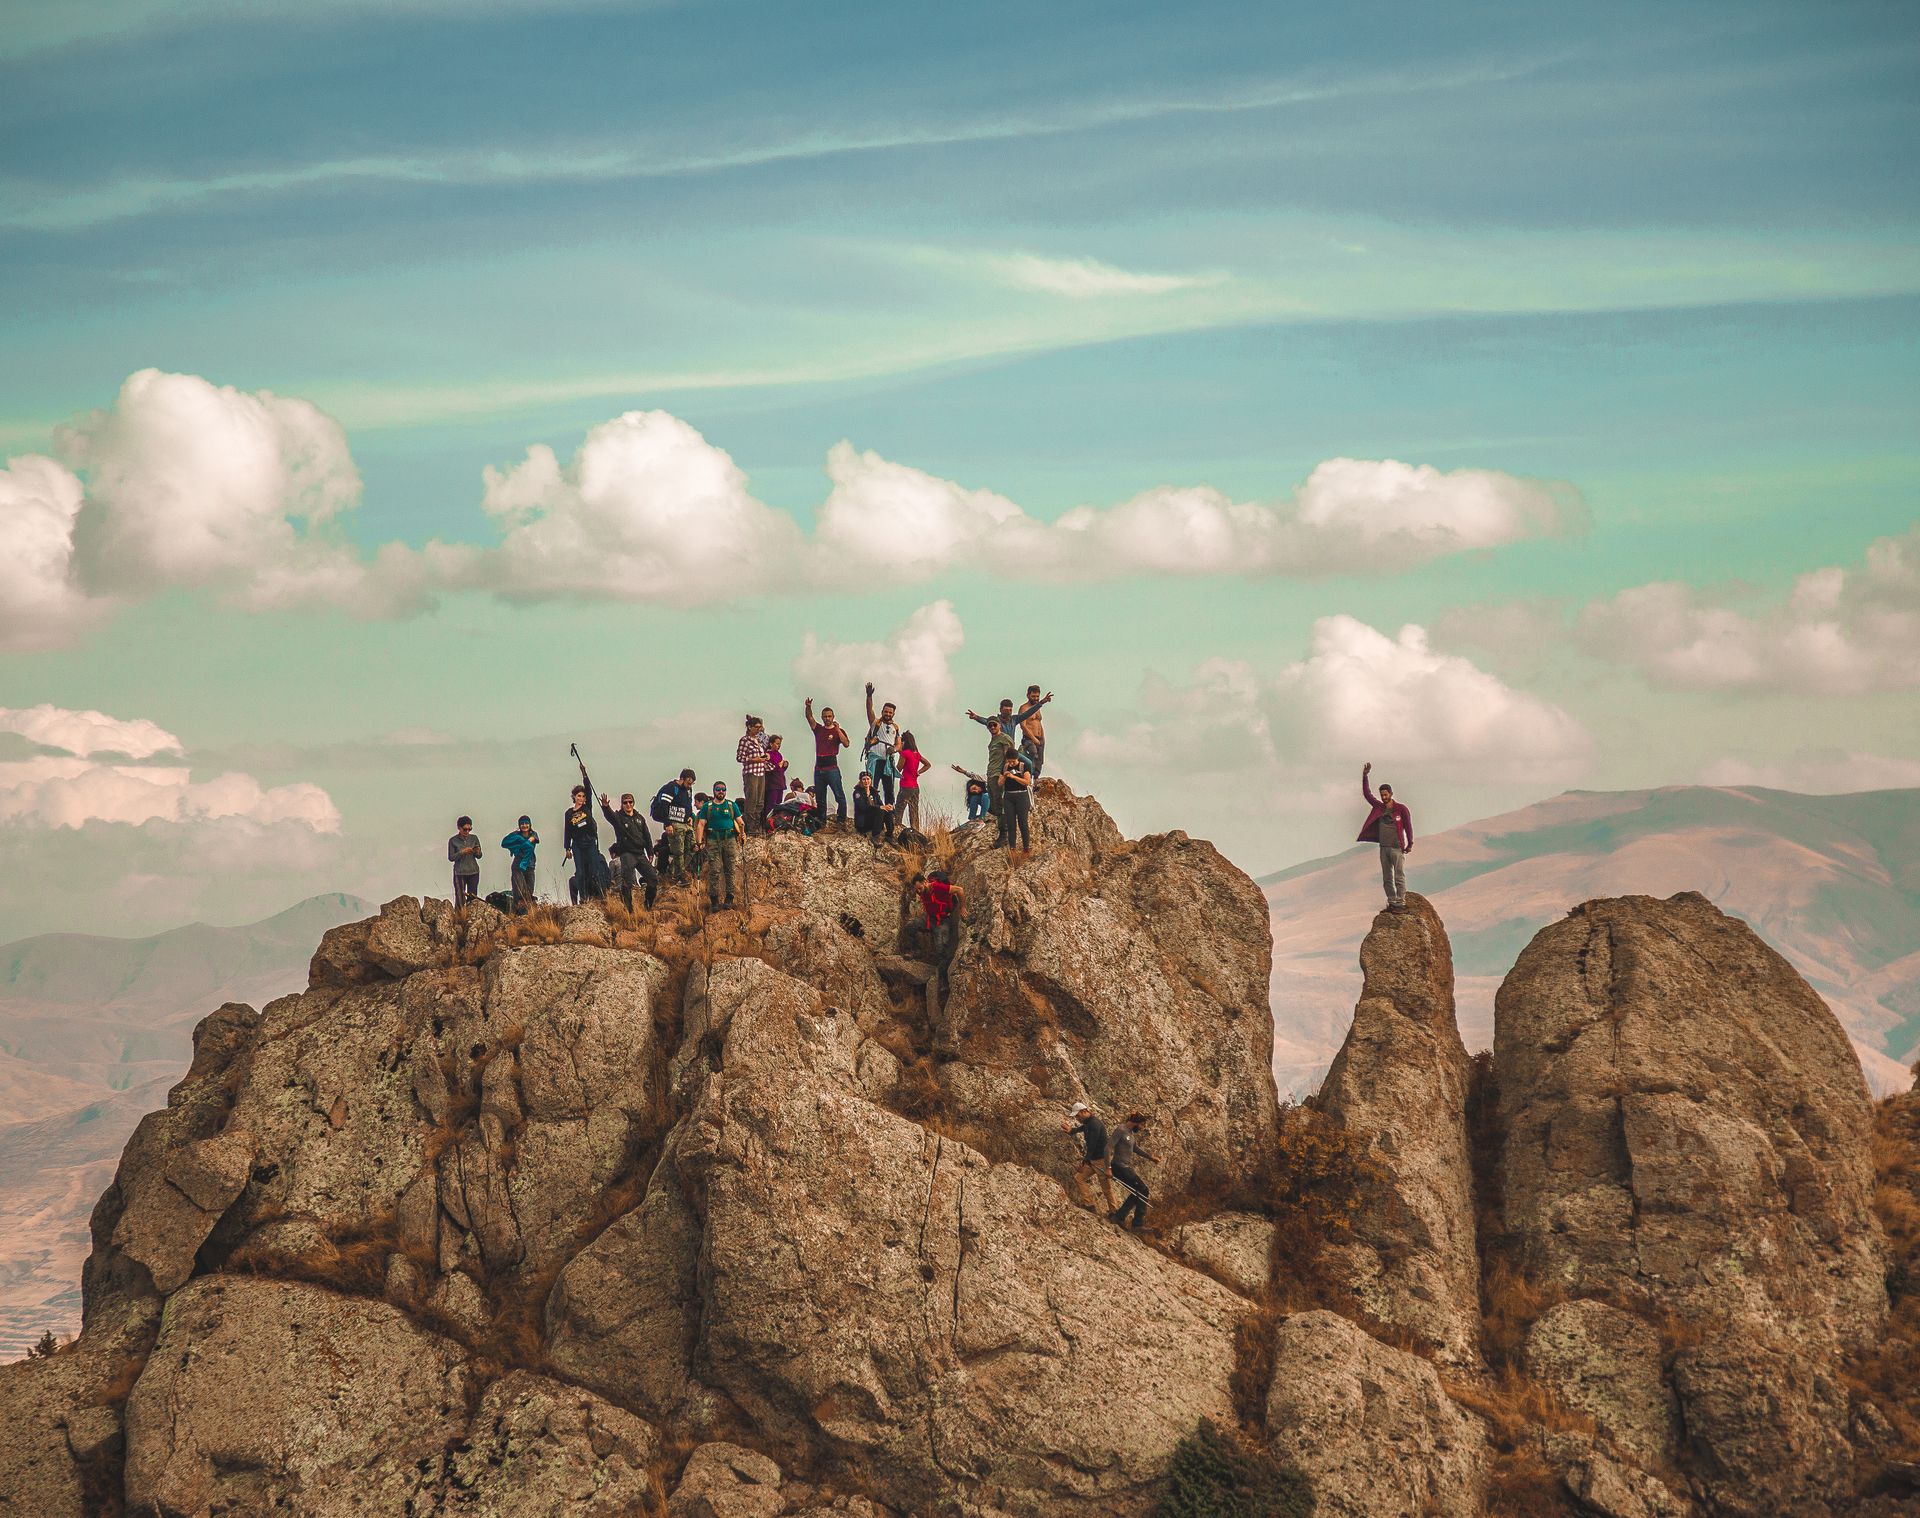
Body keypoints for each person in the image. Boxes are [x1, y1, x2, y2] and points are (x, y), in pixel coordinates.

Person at [1359, 762, 1413, 910]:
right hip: (1384, 848)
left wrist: (1410, 844)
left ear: (1391, 794)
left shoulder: (1401, 809)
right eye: (1382, 795)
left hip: (1397, 847)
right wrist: (1365, 776)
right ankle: (1392, 901)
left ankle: (1401, 901)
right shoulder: (1378, 807)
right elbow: (1367, 794)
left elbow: (1408, 827)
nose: (1383, 797)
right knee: (1387, 877)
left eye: (1386, 794)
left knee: (1399, 875)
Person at [600, 791, 660, 912]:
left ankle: (647, 906)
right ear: (622, 804)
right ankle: (629, 910)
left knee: (653, 879)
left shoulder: (640, 818)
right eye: (625, 802)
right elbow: (610, 816)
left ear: (633, 803)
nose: (628, 805)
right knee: (627, 882)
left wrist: (650, 852)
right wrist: (606, 807)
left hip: (640, 853)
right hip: (627, 853)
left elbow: (647, 836)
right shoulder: (619, 818)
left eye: (630, 802)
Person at [697, 780, 744, 909]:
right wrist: (699, 842)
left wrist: (742, 834)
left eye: (723, 789)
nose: (721, 792)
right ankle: (714, 899)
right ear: (714, 791)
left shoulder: (731, 805)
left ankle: (729, 897)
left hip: (729, 839)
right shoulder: (708, 806)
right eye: (718, 789)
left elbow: (740, 822)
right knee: (715, 869)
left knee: (730, 869)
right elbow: (701, 824)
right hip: (713, 840)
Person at [804, 697, 851, 826]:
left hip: (832, 768)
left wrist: (837, 730)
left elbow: (846, 743)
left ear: (833, 717)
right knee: (820, 797)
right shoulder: (819, 729)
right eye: (825, 716)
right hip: (819, 768)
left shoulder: (837, 731)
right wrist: (808, 707)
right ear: (822, 717)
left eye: (829, 716)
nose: (827, 718)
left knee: (839, 795)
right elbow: (810, 719)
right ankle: (821, 820)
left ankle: (841, 820)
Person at [1108, 1112, 1158, 1230]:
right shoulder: (1121, 1130)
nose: (1142, 1128)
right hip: (1118, 1166)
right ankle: (1137, 1224)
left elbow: (1135, 1148)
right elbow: (1108, 1147)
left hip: (1124, 1167)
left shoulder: (1130, 1133)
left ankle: (1119, 1217)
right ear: (1136, 1123)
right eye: (1141, 1125)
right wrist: (1108, 1168)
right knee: (1143, 1190)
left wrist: (1150, 1157)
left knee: (1137, 1192)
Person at [1062, 1100, 1115, 1212]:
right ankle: (1089, 1205)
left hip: (1101, 1160)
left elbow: (1092, 1145)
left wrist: (1084, 1162)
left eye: (1078, 1115)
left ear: (1084, 1111)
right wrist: (1072, 1130)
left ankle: (1114, 1212)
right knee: (1079, 1178)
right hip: (1092, 1160)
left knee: (1106, 1189)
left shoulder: (1095, 1124)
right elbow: (1083, 1128)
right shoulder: (1088, 1123)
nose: (1077, 1118)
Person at [563, 786, 611, 902]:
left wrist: (584, 776)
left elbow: (589, 792)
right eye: (579, 795)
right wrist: (567, 848)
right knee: (580, 872)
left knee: (595, 869)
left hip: (589, 842)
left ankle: (602, 895)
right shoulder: (569, 813)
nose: (581, 798)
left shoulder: (587, 808)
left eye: (583, 796)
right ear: (574, 796)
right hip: (577, 844)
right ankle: (584, 898)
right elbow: (568, 830)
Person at [651, 769, 697, 884]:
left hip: (685, 822)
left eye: (692, 783)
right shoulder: (671, 788)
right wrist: (667, 823)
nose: (689, 785)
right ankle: (679, 875)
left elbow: (688, 804)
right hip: (674, 822)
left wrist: (690, 815)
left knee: (693, 847)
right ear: (682, 779)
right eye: (688, 782)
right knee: (678, 850)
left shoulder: (688, 790)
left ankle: (672, 870)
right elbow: (663, 805)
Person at [915, 868, 964, 965]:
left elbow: (960, 890)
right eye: (916, 890)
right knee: (910, 927)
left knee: (941, 948)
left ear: (925, 882)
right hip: (929, 919)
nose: (918, 891)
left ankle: (943, 975)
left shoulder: (937, 887)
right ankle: (914, 952)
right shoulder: (923, 892)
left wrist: (962, 907)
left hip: (942, 921)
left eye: (919, 888)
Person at [862, 683, 901, 806]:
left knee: (889, 788)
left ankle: (890, 810)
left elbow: (899, 744)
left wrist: (894, 749)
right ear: (882, 711)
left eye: (890, 712)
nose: (888, 714)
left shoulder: (895, 727)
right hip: (875, 759)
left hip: (887, 761)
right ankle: (872, 806)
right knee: (872, 785)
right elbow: (869, 710)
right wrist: (869, 696)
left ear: (893, 714)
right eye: (886, 712)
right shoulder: (876, 723)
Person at [737, 716, 770, 834]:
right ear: (749, 727)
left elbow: (768, 741)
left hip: (761, 771)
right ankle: (750, 828)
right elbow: (740, 757)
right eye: (756, 727)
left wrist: (766, 757)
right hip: (751, 772)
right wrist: (754, 759)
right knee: (751, 799)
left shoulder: (759, 740)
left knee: (760, 801)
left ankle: (757, 827)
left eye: (759, 727)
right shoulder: (745, 740)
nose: (758, 730)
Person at [500, 816, 538, 914]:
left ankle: (527, 913)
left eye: (526, 823)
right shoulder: (515, 835)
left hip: (530, 865)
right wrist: (516, 845)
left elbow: (529, 843)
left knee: (529, 890)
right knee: (518, 891)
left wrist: (516, 846)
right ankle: (517, 913)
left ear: (530, 824)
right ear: (519, 825)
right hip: (517, 866)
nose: (524, 825)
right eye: (522, 824)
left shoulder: (533, 834)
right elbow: (504, 842)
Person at [998, 749, 1033, 851]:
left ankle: (1026, 847)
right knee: (1010, 823)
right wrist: (1004, 776)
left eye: (1013, 761)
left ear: (1017, 758)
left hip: (1021, 796)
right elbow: (999, 784)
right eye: (1009, 761)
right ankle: (1012, 848)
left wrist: (1014, 777)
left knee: (1023, 823)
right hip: (1009, 797)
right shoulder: (1005, 767)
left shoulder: (1023, 766)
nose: (1011, 763)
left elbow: (1027, 782)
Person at [1016, 685, 1054, 779]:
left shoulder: (1037, 708)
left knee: (1039, 762)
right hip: (1029, 739)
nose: (1036, 698)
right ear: (1028, 695)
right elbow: (1023, 725)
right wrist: (1033, 738)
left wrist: (1042, 738)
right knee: (1033, 753)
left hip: (1040, 739)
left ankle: (1036, 782)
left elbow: (1039, 723)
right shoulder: (1024, 708)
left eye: (1037, 696)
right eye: (1033, 696)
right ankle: (1025, 775)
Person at [896, 731, 929, 834]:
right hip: (915, 786)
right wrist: (918, 772)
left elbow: (898, 769)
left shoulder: (905, 754)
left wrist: (899, 752)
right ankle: (916, 833)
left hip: (906, 785)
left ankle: (896, 831)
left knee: (899, 809)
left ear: (904, 741)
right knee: (914, 812)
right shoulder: (916, 754)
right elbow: (928, 764)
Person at [448, 816, 483, 908]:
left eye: (469, 829)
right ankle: (459, 918)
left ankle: (471, 917)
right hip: (460, 873)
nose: (467, 832)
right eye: (465, 829)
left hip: (473, 872)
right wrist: (462, 852)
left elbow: (479, 856)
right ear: (459, 828)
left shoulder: (474, 838)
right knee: (460, 899)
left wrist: (477, 852)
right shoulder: (453, 841)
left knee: (473, 898)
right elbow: (451, 857)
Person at [984, 718, 1016, 819]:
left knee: (999, 801)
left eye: (994, 725)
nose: (992, 727)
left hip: (999, 773)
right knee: (992, 801)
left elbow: (1009, 757)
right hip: (991, 773)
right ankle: (998, 824)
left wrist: (1004, 773)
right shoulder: (993, 740)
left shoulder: (1004, 738)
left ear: (999, 725)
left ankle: (1004, 828)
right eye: (990, 725)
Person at [853, 770, 895, 842]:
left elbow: (881, 805)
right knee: (880, 810)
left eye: (868, 779)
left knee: (887, 811)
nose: (866, 781)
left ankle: (889, 835)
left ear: (871, 780)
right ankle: (875, 836)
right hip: (863, 823)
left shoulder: (874, 792)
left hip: (874, 820)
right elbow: (863, 807)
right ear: (860, 781)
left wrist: (888, 807)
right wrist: (879, 807)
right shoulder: (857, 793)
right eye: (864, 779)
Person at [761, 734, 790, 833]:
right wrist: (779, 765)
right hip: (772, 784)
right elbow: (769, 766)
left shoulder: (779, 754)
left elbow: (781, 769)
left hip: (779, 783)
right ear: (771, 744)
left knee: (778, 805)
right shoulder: (769, 754)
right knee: (771, 805)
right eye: (777, 744)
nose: (778, 746)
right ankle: (767, 825)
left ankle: (776, 823)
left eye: (779, 744)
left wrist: (784, 765)